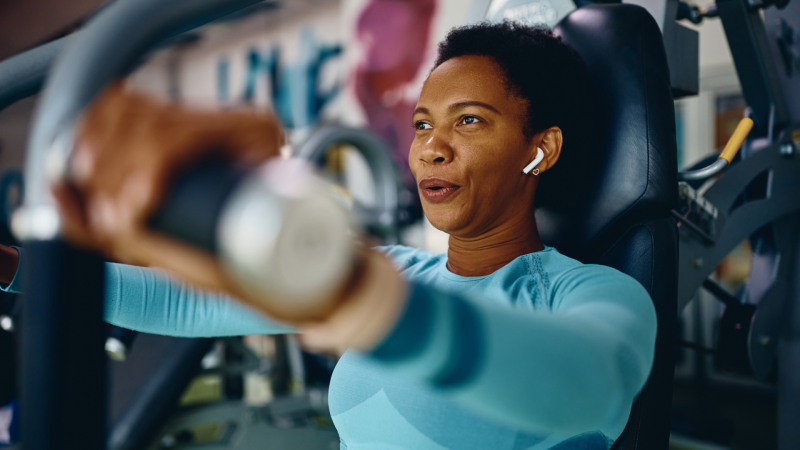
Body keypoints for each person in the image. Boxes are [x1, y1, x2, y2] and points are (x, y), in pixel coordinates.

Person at [1, 22, 656, 449]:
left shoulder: (595, 296)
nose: (431, 149)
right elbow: (185, 302)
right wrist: (13, 266)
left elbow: (587, 384)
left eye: (470, 122)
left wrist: (351, 297)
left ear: (538, 152)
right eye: (424, 125)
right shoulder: (399, 270)